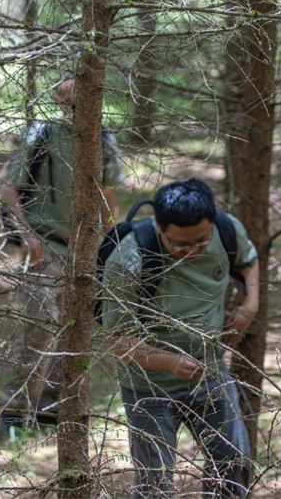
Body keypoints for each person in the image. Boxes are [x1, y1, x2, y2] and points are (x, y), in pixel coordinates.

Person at [101, 178, 260, 499]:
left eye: (201, 241)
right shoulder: (129, 259)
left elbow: (248, 260)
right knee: (155, 482)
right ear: (160, 229)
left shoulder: (228, 230)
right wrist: (170, 362)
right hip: (148, 385)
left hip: (211, 370)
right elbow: (115, 340)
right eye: (180, 245)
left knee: (233, 464)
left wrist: (250, 304)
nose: (192, 251)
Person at [0, 75, 125, 420]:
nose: (70, 107)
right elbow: (9, 188)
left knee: (73, 329)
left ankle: (50, 411)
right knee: (39, 326)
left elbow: (108, 193)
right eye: (64, 100)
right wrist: (29, 239)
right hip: (44, 242)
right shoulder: (41, 134)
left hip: (83, 249)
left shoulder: (102, 138)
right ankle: (14, 410)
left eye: (77, 100)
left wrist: (111, 241)